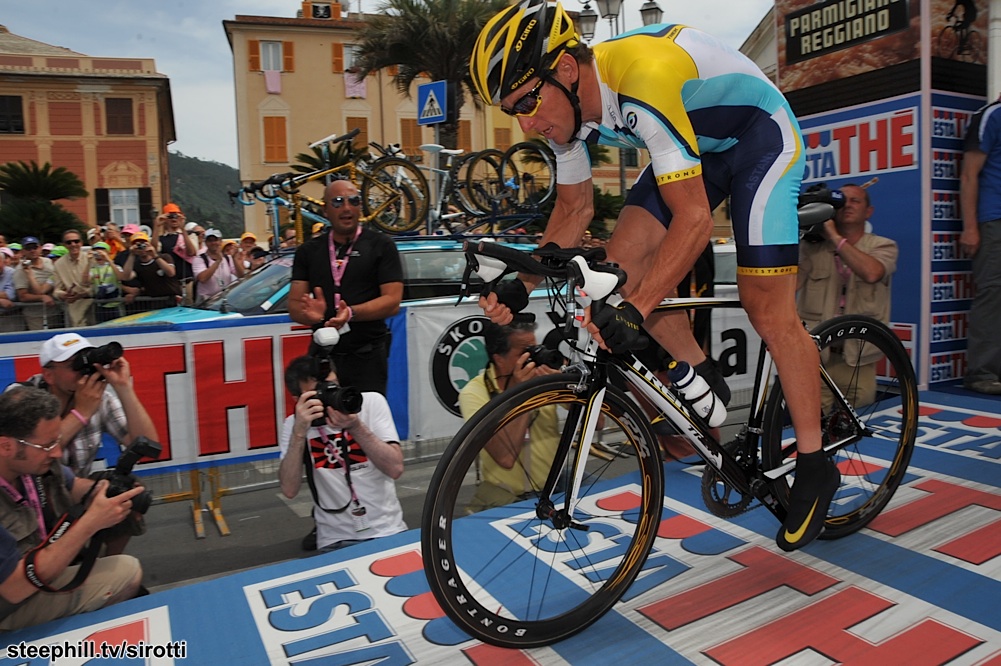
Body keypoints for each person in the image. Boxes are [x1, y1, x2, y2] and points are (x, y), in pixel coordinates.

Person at [471, 0, 835, 552]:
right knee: (620, 270)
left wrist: (637, 311)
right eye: (512, 110)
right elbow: (573, 210)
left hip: (761, 141)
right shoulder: (566, 116)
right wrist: (518, 284)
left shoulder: (640, 81)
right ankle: (701, 372)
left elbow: (694, 221)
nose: (525, 122)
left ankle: (814, 463)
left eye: (527, 101)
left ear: (565, 69)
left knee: (767, 309)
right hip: (701, 149)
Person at [0, 386, 144, 632]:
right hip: (11, 599)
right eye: (47, 445)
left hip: (36, 569)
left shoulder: (32, 463)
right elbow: (14, 589)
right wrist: (90, 523)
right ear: (6, 446)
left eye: (57, 440)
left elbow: (73, 486)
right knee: (126, 572)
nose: (57, 452)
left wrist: (104, 491)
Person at [277, 355, 406, 553]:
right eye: (319, 393)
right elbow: (289, 489)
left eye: (333, 386)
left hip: (388, 529)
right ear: (298, 400)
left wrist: (356, 426)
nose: (330, 396)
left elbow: (395, 468)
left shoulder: (370, 403)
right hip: (335, 539)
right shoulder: (294, 425)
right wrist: (300, 432)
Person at [288, 179, 404, 395]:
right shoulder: (308, 251)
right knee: (321, 414)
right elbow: (295, 306)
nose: (347, 207)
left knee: (367, 413)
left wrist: (350, 313)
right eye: (338, 202)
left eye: (354, 200)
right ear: (325, 210)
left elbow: (392, 302)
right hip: (323, 356)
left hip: (367, 356)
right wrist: (310, 316)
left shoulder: (381, 245)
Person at [797, 184, 898, 409]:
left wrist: (834, 236)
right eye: (842, 201)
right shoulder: (811, 248)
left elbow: (872, 273)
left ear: (868, 211)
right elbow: (791, 285)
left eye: (855, 201)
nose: (847, 205)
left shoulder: (883, 245)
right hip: (816, 356)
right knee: (812, 422)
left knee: (856, 422)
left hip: (857, 360)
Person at [14, 332, 159, 481]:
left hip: (76, 490)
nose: (84, 371)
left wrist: (123, 387)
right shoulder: (21, 396)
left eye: (88, 364)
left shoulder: (99, 399)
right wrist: (81, 413)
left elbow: (148, 446)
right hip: (29, 492)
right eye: (75, 365)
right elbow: (34, 455)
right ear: (49, 375)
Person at [457, 322, 560, 513]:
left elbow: (598, 423)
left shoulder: (543, 377)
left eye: (535, 349)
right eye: (525, 353)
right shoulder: (474, 393)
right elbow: (505, 458)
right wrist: (522, 393)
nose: (533, 359)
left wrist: (564, 383)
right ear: (499, 359)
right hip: (506, 494)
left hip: (555, 485)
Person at [960, 94, 1001, 394]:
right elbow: (968, 174)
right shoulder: (991, 115)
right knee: (993, 293)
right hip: (994, 219)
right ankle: (981, 372)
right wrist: (970, 227)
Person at [120, 231, 182, 307]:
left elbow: (171, 273)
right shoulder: (137, 264)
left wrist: (154, 255)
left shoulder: (164, 257)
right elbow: (126, 276)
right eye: (137, 244)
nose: (141, 247)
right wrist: (132, 254)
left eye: (143, 243)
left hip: (172, 299)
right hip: (154, 301)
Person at [13, 236, 58, 331]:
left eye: (35, 247)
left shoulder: (48, 261)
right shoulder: (20, 270)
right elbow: (22, 296)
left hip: (56, 311)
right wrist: (41, 297)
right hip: (36, 316)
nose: (32, 250)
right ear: (23, 251)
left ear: (40, 248)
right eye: (28, 248)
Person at [53, 229, 95, 328]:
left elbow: (100, 283)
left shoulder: (92, 258)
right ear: (64, 245)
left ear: (81, 243)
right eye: (69, 242)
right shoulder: (59, 264)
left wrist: (84, 293)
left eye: (76, 241)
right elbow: (56, 290)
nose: (73, 244)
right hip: (76, 311)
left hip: (96, 305)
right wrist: (64, 295)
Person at [192, 229, 244, 303]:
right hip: (206, 300)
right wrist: (218, 261)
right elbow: (203, 278)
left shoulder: (228, 258)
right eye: (210, 240)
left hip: (224, 298)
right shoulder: (199, 259)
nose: (213, 243)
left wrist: (234, 259)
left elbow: (241, 275)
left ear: (220, 241)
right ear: (206, 242)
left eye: (215, 240)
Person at [88, 242, 124, 323]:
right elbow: (85, 281)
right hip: (100, 305)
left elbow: (121, 277)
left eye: (101, 251)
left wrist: (108, 259)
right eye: (96, 251)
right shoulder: (93, 269)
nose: (99, 254)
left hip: (115, 305)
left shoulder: (115, 267)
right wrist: (88, 262)